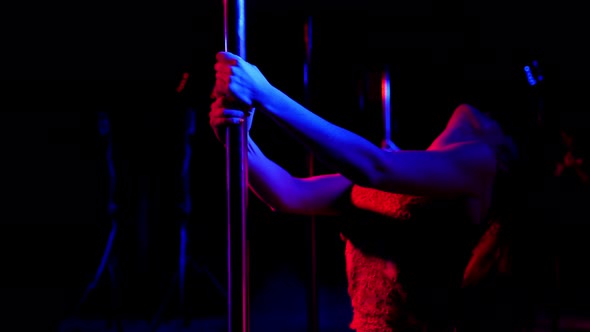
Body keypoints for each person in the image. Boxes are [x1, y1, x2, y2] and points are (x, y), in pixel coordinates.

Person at [210, 51, 520, 332]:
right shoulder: (396, 171)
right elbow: (288, 193)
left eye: (494, 119)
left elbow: (373, 167)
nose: (477, 113)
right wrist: (236, 139)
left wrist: (265, 94)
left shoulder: (481, 162)